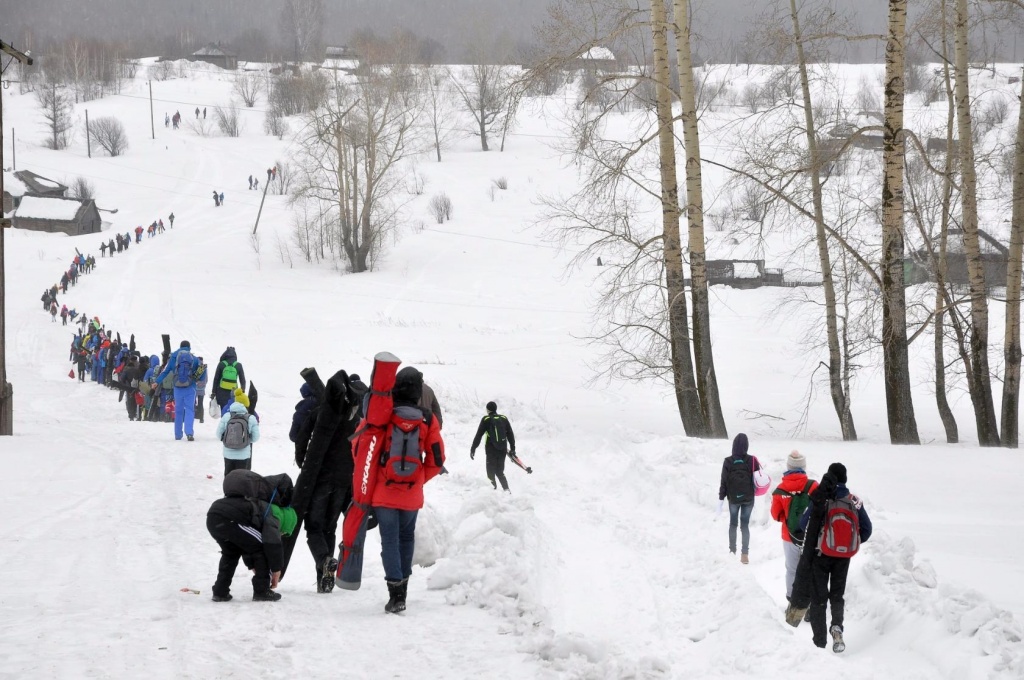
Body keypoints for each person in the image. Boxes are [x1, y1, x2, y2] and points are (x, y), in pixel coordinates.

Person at [368, 366, 444, 613]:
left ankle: (395, 593)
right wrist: (419, 478)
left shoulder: (385, 415)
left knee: (389, 539)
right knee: (406, 537)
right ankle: (404, 589)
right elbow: (437, 459)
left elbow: (368, 450)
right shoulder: (427, 419)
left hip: (384, 492)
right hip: (411, 493)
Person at [293, 371, 362, 592]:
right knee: (329, 528)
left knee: (313, 527)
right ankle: (325, 578)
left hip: (320, 478)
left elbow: (301, 440)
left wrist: (304, 463)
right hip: (344, 481)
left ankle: (324, 561)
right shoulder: (357, 421)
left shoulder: (321, 413)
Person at [795, 463, 872, 653]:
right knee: (837, 595)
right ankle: (837, 627)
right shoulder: (854, 500)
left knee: (819, 599)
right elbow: (867, 529)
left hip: (820, 555)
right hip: (843, 558)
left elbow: (803, 524)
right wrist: (848, 543)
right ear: (845, 479)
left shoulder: (821, 498)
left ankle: (819, 643)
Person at [206, 471, 295, 602]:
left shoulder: (254, 502)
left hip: (214, 517)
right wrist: (276, 569)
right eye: (283, 533)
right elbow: (271, 544)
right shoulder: (273, 514)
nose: (281, 535)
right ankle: (262, 591)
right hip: (231, 519)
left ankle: (220, 591)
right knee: (261, 547)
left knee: (231, 553)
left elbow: (245, 543)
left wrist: (253, 565)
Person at [771, 451, 818, 604]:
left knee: (792, 569)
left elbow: (775, 515)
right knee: (810, 567)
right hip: (810, 536)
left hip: (789, 536)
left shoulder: (780, 489)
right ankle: (810, 603)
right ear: (803, 467)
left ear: (788, 466)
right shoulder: (813, 486)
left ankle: (793, 600)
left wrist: (788, 517)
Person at [718, 433, 763, 564]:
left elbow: (724, 481)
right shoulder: (752, 460)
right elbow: (757, 479)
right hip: (748, 498)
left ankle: (732, 552)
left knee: (733, 524)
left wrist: (721, 498)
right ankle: (745, 555)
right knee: (745, 525)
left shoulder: (728, 461)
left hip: (733, 498)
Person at [155, 340, 199, 441]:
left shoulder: (173, 358)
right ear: (189, 347)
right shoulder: (193, 358)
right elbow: (201, 372)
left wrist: (157, 382)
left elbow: (165, 371)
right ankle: (189, 433)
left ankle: (178, 435)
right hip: (190, 387)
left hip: (177, 388)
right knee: (189, 410)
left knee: (178, 411)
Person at [470, 401, 516, 492]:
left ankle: (492, 494)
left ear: (487, 410)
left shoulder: (486, 419)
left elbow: (478, 435)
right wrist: (513, 448)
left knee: (490, 473)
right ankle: (507, 491)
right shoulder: (503, 418)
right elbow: (510, 434)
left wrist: (473, 448)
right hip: (503, 449)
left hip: (491, 450)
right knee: (500, 472)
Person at [217, 388, 260, 476]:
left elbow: (218, 434)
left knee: (229, 477)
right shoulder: (251, 418)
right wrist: (246, 440)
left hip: (228, 453)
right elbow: (256, 437)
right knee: (241, 479)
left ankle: (228, 489)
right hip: (243, 455)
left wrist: (227, 439)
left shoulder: (227, 416)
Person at [194, 356, 209, 424]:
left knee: (192, 403)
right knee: (200, 403)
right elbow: (206, 379)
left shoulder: (195, 365)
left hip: (195, 388)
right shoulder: (204, 367)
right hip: (202, 389)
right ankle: (201, 418)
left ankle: (193, 415)